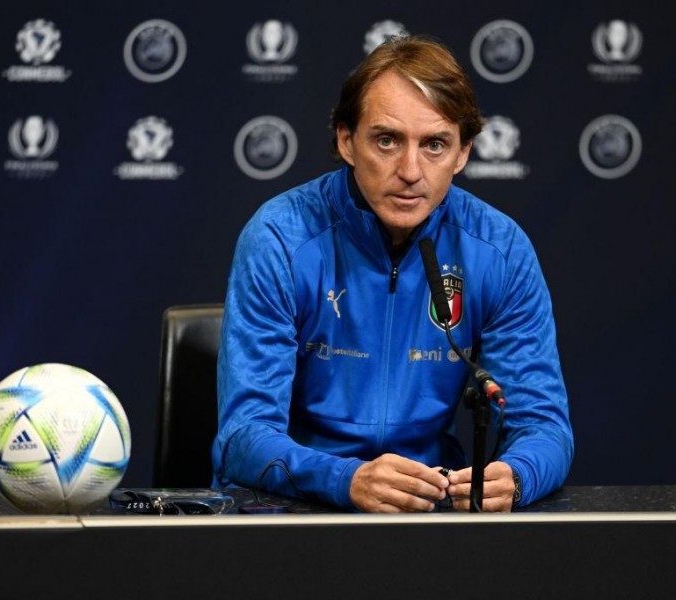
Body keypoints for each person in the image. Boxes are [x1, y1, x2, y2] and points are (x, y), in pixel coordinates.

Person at [213, 34, 573, 513]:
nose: (410, 170)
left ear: (463, 153)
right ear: (346, 140)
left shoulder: (499, 250)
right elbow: (243, 436)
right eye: (387, 140)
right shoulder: (279, 238)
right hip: (292, 508)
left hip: (427, 508)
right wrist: (346, 480)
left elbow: (545, 427)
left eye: (435, 145)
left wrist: (519, 474)